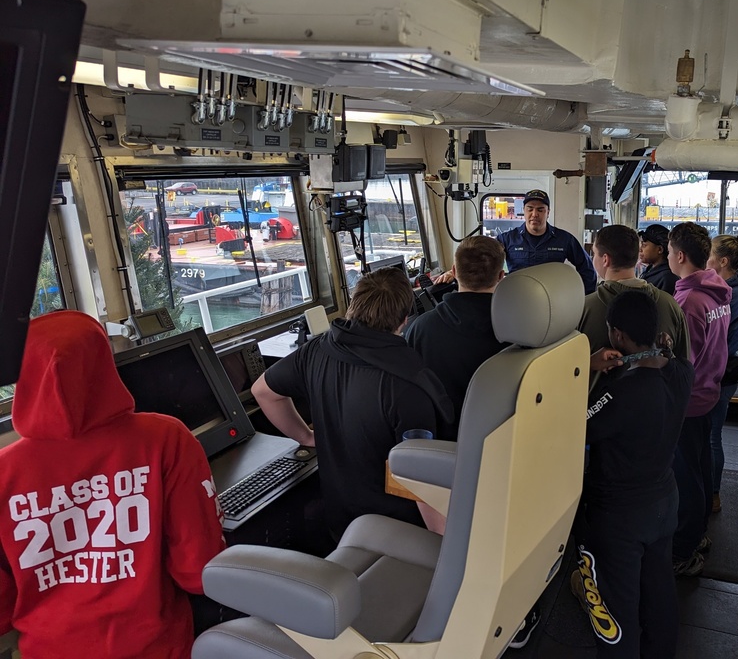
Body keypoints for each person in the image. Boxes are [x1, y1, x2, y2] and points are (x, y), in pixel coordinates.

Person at [0, 311, 225, 659]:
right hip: (157, 646)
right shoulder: (166, 439)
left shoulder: (4, 471)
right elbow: (198, 572)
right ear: (104, 363)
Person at [252, 267, 453, 540]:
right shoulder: (409, 385)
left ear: (353, 306)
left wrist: (307, 437)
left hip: (341, 522)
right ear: (404, 319)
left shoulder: (316, 349)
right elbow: (417, 477)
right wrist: (444, 542)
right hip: (399, 530)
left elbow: (263, 391)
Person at [573, 290, 694, 658]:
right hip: (663, 502)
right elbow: (663, 363)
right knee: (659, 595)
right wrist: (643, 355)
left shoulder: (621, 395)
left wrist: (583, 367)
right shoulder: (681, 373)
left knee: (614, 609)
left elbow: (575, 425)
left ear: (617, 335)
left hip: (619, 516)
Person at [666, 222, 732, 576]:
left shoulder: (688, 301)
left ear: (679, 255)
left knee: (685, 475)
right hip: (709, 392)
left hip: (689, 401)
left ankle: (684, 548)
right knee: (701, 468)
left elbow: (682, 361)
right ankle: (699, 533)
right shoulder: (717, 289)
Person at [404, 235, 509, 438]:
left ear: (453, 272)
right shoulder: (522, 329)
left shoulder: (421, 329)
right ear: (500, 276)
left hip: (443, 447)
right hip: (502, 443)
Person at [579, 224, 690, 364]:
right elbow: (684, 365)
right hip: (660, 386)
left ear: (605, 259)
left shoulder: (584, 308)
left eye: (594, 253)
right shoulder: (670, 304)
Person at [706, 232, 738, 514]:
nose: (706, 260)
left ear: (723, 261)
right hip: (717, 370)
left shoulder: (735, 295)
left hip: (721, 374)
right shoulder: (727, 288)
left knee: (713, 436)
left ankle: (713, 494)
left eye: (710, 255)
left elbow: (718, 336)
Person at [497, 189, 598, 294]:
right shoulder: (507, 239)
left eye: (540, 210)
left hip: (552, 301)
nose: (534, 214)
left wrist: (585, 298)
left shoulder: (564, 239)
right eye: (530, 209)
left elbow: (587, 268)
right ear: (524, 211)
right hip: (518, 299)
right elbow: (489, 267)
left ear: (548, 212)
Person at [638, 224, 679, 295]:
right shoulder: (651, 270)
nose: (640, 249)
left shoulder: (667, 278)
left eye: (644, 245)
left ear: (660, 249)